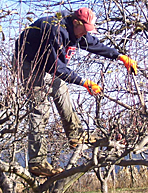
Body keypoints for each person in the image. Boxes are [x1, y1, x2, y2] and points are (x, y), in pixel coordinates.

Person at [14, 7, 137, 177]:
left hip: (47, 63)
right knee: (40, 109)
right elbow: (56, 66)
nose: (84, 34)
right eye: (84, 30)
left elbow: (94, 44)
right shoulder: (54, 29)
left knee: (61, 91)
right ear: (75, 22)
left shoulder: (76, 31)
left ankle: (75, 135)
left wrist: (119, 56)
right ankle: (37, 162)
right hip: (28, 62)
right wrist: (83, 82)